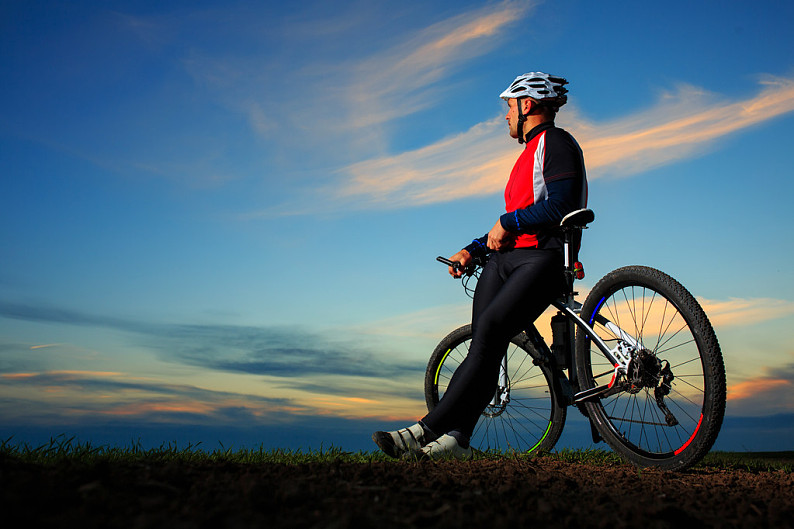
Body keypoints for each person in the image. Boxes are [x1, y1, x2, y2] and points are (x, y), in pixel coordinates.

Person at [373, 72, 587, 459]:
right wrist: (473, 249)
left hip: (543, 259)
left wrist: (507, 223)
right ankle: (459, 439)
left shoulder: (555, 142)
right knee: (483, 346)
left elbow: (562, 205)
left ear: (528, 105)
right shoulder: (527, 155)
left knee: (489, 329)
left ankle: (425, 429)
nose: (505, 115)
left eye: (509, 106)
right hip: (507, 260)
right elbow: (513, 222)